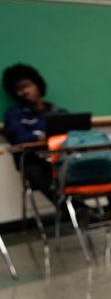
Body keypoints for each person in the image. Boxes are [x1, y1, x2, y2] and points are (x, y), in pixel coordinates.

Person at [2, 64, 65, 204]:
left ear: (37, 84)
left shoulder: (56, 111)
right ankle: (80, 211)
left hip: (61, 158)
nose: (24, 92)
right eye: (18, 90)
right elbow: (18, 139)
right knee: (34, 170)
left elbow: (74, 133)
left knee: (94, 157)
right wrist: (38, 137)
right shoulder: (14, 114)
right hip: (36, 161)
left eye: (27, 85)